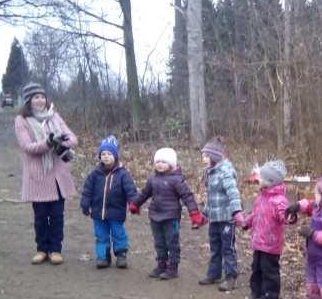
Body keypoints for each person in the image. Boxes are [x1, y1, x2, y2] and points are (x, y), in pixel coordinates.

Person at [14, 82, 78, 265]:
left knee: (57, 215)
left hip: (58, 175)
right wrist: (48, 143)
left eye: (42, 96)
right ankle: (42, 249)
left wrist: (63, 142)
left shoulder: (54, 116)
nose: (40, 100)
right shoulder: (22, 120)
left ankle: (56, 250)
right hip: (38, 176)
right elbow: (27, 147)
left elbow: (73, 138)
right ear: (29, 101)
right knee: (41, 216)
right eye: (36, 97)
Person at [129, 147, 205, 280]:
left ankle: (173, 267)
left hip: (171, 218)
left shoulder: (177, 180)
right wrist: (135, 204)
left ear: (171, 164)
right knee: (159, 242)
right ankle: (161, 264)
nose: (160, 164)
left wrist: (194, 213)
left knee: (172, 242)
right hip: (155, 217)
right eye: (157, 162)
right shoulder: (152, 179)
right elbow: (144, 194)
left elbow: (187, 196)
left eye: (163, 162)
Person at [79, 136, 137, 269]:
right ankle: (103, 257)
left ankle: (121, 255)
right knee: (101, 235)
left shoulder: (123, 174)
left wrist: (133, 203)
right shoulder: (94, 174)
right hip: (98, 212)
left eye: (109, 154)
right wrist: (85, 204)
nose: (106, 157)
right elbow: (87, 190)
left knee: (119, 234)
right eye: (103, 154)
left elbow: (130, 190)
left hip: (116, 212)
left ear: (115, 156)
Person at [198, 137, 245, 291]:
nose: (203, 158)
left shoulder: (225, 172)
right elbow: (212, 197)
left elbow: (233, 193)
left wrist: (237, 211)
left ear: (214, 156)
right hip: (214, 219)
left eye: (205, 156)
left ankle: (231, 276)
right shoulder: (210, 172)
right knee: (214, 246)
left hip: (226, 219)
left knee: (227, 248)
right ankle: (214, 273)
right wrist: (205, 214)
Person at [241, 160, 290, 299]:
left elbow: (285, 217)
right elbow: (256, 215)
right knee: (256, 267)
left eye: (261, 178)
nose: (257, 179)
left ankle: (270, 295)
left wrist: (290, 216)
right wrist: (247, 222)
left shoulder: (279, 200)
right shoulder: (261, 198)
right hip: (258, 241)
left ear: (270, 181)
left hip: (271, 243)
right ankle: (256, 291)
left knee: (270, 270)